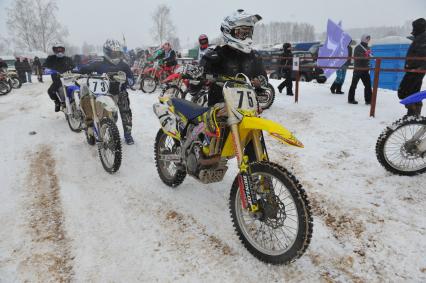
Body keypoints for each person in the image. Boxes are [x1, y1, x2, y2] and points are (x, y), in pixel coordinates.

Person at [200, 9, 267, 106]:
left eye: (249, 32)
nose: (247, 37)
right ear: (228, 31)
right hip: (220, 111)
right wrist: (197, 78)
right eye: (242, 33)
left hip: (247, 110)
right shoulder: (215, 56)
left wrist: (260, 82)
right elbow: (194, 88)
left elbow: (263, 80)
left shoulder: (254, 56)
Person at [78, 39, 135, 145]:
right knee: (109, 115)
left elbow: (132, 78)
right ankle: (100, 130)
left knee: (126, 113)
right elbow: (86, 68)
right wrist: (77, 70)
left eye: (118, 53)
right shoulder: (99, 62)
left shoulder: (124, 64)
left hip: (120, 91)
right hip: (105, 93)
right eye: (113, 53)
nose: (116, 55)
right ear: (107, 52)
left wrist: (127, 80)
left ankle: (128, 135)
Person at [398, 18, 426, 116]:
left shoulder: (423, 38)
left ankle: (413, 114)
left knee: (404, 92)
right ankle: (413, 114)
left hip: (416, 70)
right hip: (414, 69)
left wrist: (420, 69)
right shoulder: (420, 37)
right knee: (413, 92)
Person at [43, 42, 75, 112]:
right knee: (50, 91)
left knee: (78, 89)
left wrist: (74, 69)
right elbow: (45, 65)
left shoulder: (68, 59)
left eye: (61, 49)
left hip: (69, 79)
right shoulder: (51, 58)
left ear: (63, 50)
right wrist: (47, 69)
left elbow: (74, 66)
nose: (59, 51)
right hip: (57, 81)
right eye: (58, 50)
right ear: (54, 50)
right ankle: (57, 103)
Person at [348, 35, 372, 105]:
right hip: (358, 69)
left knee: (368, 85)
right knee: (354, 85)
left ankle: (369, 100)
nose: (368, 40)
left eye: (369, 39)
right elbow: (357, 57)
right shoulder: (358, 47)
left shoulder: (367, 47)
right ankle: (351, 99)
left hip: (365, 69)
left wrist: (370, 55)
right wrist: (366, 55)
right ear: (363, 39)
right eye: (367, 38)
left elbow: (369, 57)